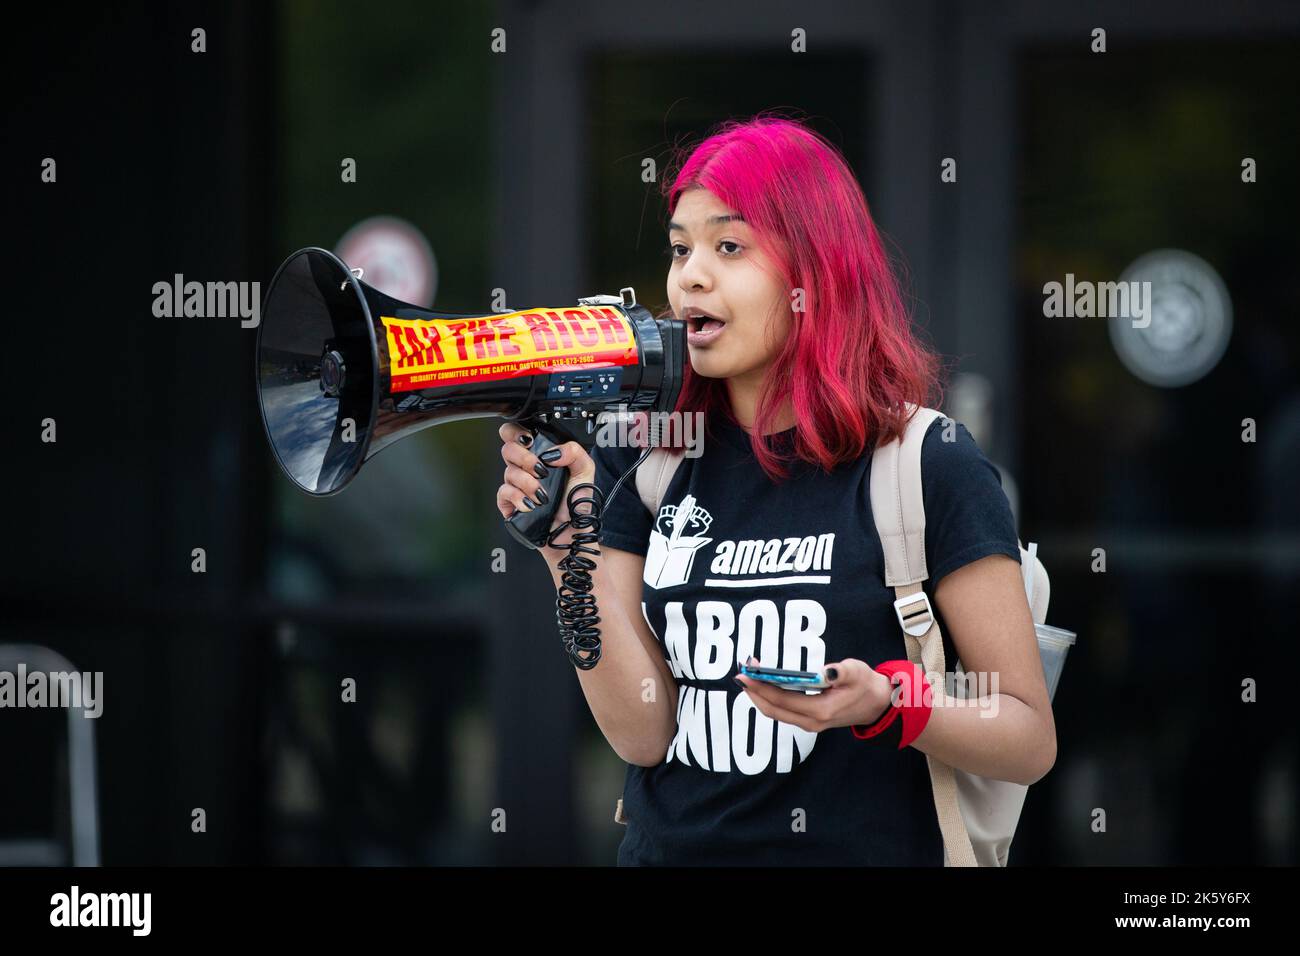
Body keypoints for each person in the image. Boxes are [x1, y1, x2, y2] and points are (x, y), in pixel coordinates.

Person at [495, 114, 1056, 865]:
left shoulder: (929, 462)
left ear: (815, 274)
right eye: (680, 248)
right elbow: (643, 732)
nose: (690, 274)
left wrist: (889, 703)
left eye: (729, 247)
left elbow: (1027, 738)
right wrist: (567, 547)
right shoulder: (653, 457)